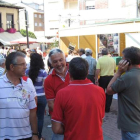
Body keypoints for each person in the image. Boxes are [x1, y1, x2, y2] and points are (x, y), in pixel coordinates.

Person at [51, 57, 105, 140]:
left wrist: (71, 128)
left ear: (69, 73)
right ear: (87, 72)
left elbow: (56, 128)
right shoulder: (100, 91)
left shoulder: (62, 94)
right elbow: (100, 120)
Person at [0, 52, 38, 140]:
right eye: (22, 64)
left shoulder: (28, 83)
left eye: (25, 64)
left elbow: (32, 111)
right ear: (12, 67)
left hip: (26, 135)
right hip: (4, 136)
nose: (26, 67)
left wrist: (35, 134)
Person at [107, 46, 140, 140]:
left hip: (130, 126)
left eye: (122, 59)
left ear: (127, 62)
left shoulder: (127, 77)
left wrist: (118, 73)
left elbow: (109, 90)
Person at [44, 48, 70, 140]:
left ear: (65, 59)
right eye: (55, 61)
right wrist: (67, 118)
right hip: (60, 121)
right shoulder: (48, 80)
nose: (59, 64)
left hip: (76, 118)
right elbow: (51, 105)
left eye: (60, 60)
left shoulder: (75, 72)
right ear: (51, 63)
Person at [26, 53, 47, 140]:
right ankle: (39, 136)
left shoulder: (27, 71)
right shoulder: (43, 72)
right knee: (40, 117)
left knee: (31, 116)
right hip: (42, 96)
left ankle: (31, 134)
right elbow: (45, 86)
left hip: (31, 96)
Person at [95, 48, 116, 112]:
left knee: (102, 92)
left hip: (103, 78)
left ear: (102, 53)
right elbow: (114, 70)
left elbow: (98, 70)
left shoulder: (100, 60)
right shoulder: (112, 60)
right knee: (109, 93)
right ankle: (107, 108)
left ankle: (102, 107)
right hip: (111, 78)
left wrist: (96, 79)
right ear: (108, 53)